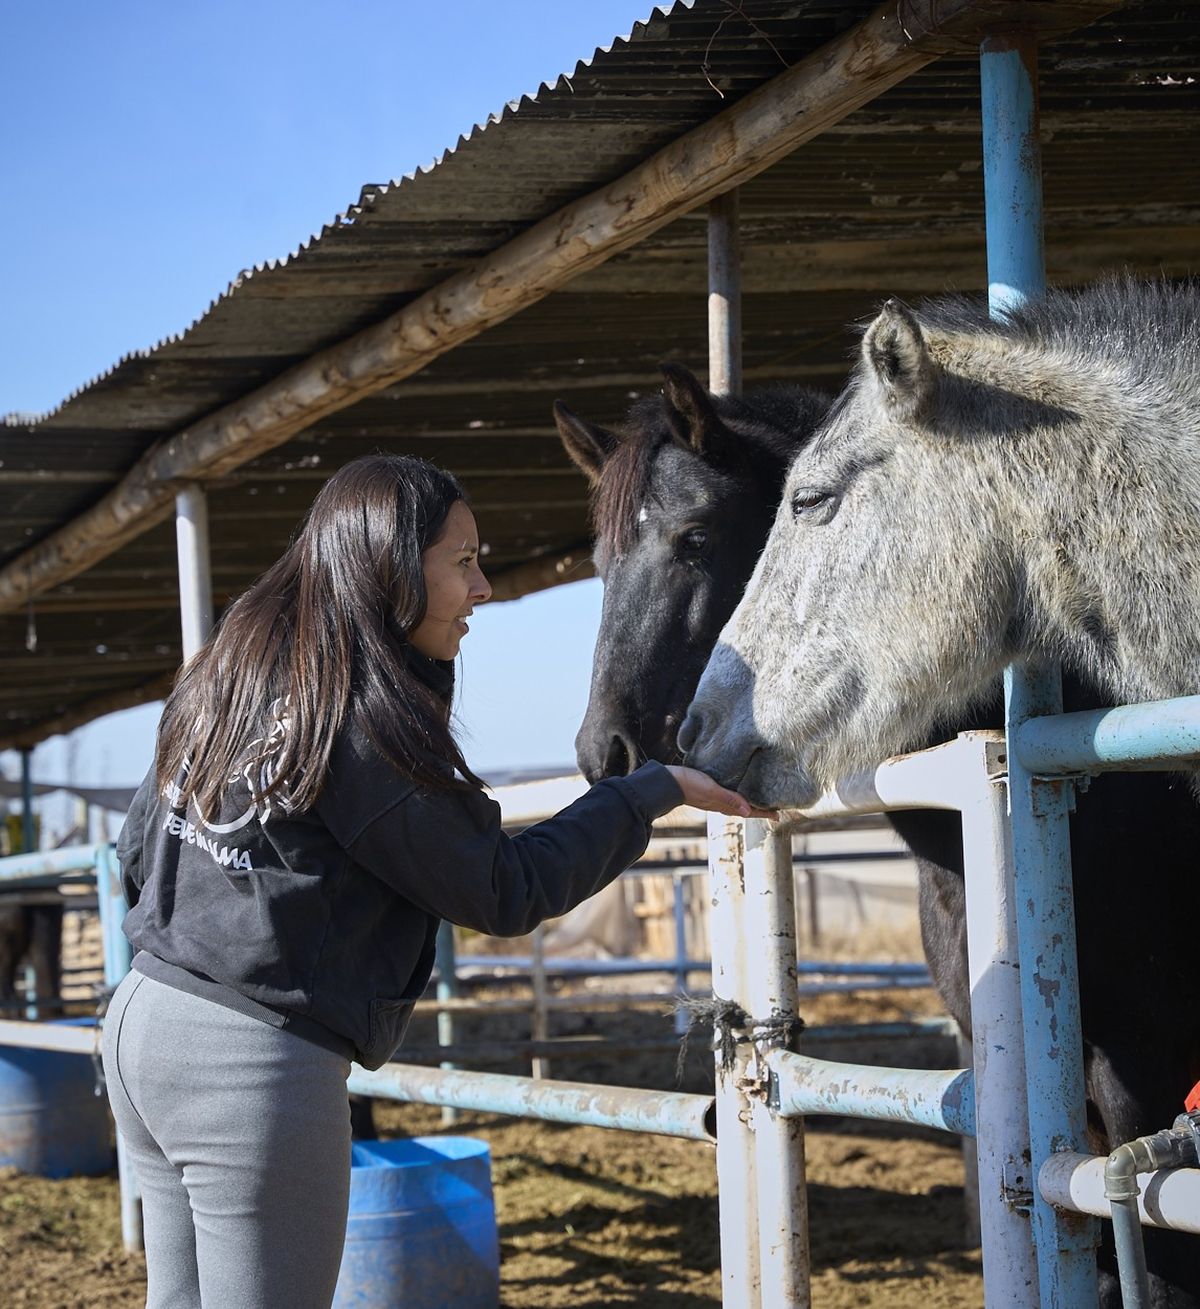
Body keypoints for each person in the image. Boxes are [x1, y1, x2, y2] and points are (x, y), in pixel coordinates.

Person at [102, 454, 769, 1309]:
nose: (482, 587)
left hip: (143, 1022)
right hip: (248, 1067)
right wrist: (647, 791)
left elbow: (135, 848)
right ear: (389, 567)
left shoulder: (232, 669)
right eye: (463, 561)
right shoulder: (357, 715)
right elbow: (502, 886)